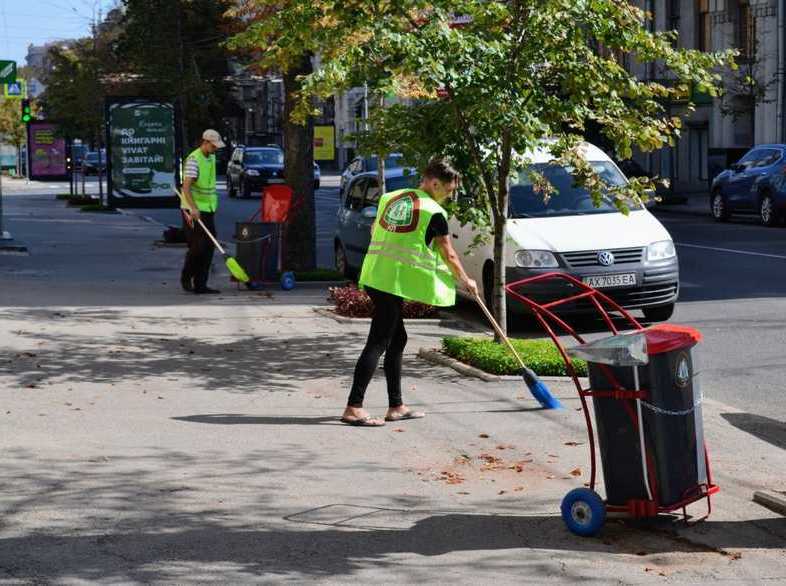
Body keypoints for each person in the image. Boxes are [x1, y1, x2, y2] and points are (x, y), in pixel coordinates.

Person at [341, 157, 479, 427]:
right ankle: (353, 407)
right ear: (436, 183)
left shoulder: (392, 197)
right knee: (378, 342)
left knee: (397, 339)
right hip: (391, 283)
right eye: (449, 191)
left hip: (376, 275)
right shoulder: (433, 212)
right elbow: (448, 253)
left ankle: (396, 406)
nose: (450, 197)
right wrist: (466, 280)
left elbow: (374, 230)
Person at [180, 129, 225, 294]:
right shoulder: (194, 159)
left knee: (209, 246)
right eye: (214, 146)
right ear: (205, 142)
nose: (216, 149)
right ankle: (186, 276)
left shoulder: (211, 157)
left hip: (208, 209)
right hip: (192, 210)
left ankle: (201, 284)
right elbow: (186, 187)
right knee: (198, 246)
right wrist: (193, 208)